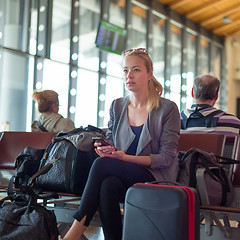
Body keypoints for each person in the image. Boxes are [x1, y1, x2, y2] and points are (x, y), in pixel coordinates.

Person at [62, 48, 180, 240]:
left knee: (102, 166)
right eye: (125, 70)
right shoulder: (117, 106)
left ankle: (74, 232)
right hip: (124, 173)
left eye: (136, 70)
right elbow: (112, 141)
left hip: (157, 176)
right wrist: (105, 149)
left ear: (149, 73)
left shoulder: (167, 108)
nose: (129, 75)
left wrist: (125, 157)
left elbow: (167, 158)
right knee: (108, 184)